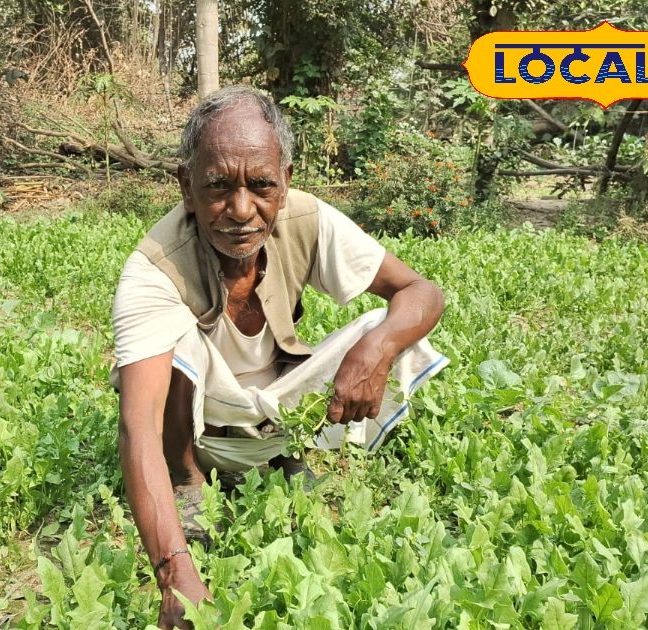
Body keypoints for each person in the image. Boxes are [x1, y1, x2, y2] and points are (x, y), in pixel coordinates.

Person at [111, 85, 447, 629]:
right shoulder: (154, 270)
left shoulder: (308, 219)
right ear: (186, 187)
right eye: (218, 186)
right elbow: (138, 425)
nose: (242, 210)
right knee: (171, 349)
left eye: (261, 185)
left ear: (285, 182)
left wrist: (378, 349)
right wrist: (174, 573)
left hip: (279, 406)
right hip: (201, 424)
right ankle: (187, 478)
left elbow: (421, 292)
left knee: (385, 327)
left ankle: (288, 452)